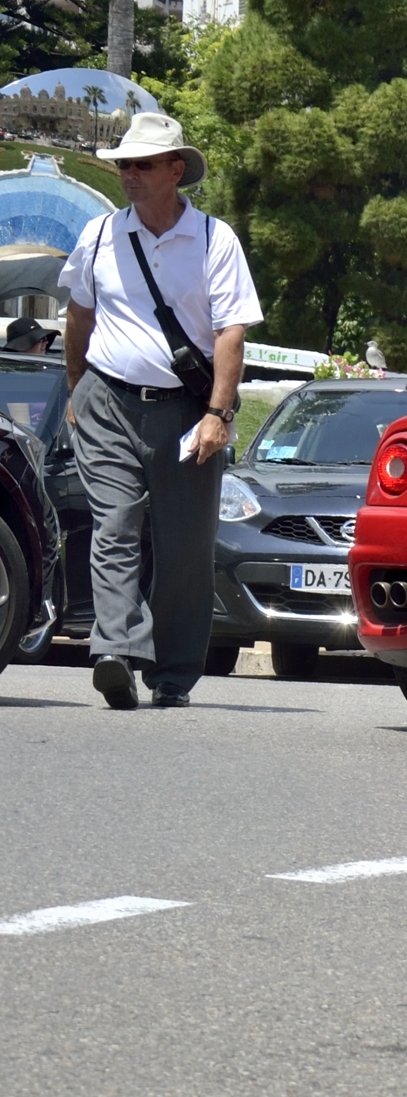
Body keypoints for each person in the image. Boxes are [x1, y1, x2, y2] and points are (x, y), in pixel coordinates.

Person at [60, 113, 262, 709]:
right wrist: (76, 387)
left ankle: (173, 673)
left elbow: (231, 333)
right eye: (124, 164)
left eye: (143, 164)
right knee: (115, 526)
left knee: (184, 548)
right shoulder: (98, 235)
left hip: (185, 412)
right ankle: (116, 653)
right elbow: (78, 316)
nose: (130, 174)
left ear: (177, 170)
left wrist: (218, 414)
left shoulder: (212, 239)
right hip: (107, 400)